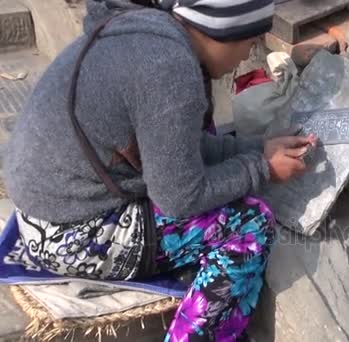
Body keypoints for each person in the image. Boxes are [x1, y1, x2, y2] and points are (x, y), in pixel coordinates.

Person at [3, 0, 316, 341]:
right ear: (224, 30)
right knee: (250, 225)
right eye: (250, 40)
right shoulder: (169, 69)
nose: (248, 55)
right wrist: (262, 169)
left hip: (41, 212)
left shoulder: (151, 31)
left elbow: (182, 148)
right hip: (69, 235)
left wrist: (258, 149)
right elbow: (180, 197)